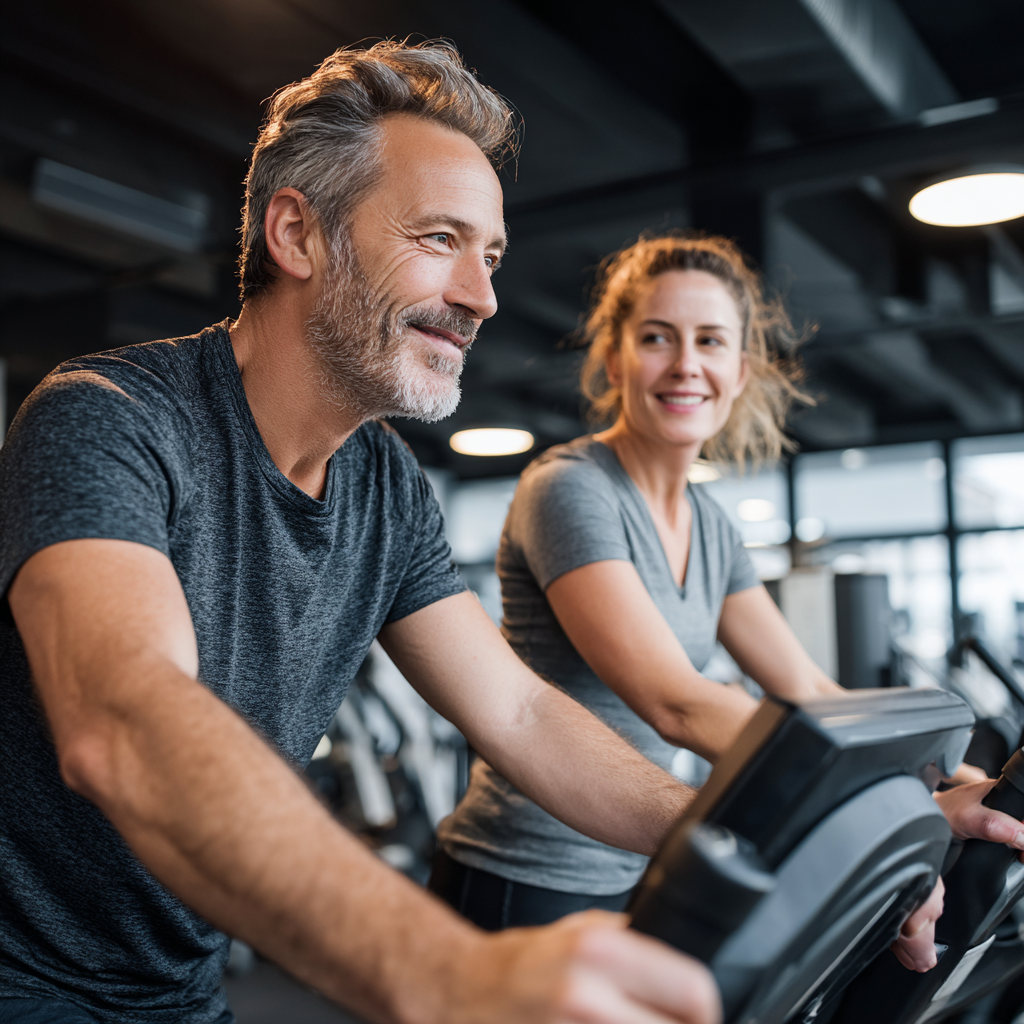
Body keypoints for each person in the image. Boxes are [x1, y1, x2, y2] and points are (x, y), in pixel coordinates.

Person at [0, 43, 722, 1024]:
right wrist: (444, 968)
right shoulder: (108, 415)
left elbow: (518, 715)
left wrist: (749, 834)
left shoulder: (384, 483)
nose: (483, 296)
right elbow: (121, 720)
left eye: (491, 255)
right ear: (298, 234)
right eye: (440, 239)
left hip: (179, 988)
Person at [433, 234, 1024, 972]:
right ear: (614, 360)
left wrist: (954, 773)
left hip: (638, 862)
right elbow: (673, 701)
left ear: (739, 370)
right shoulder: (571, 489)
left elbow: (807, 691)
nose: (686, 365)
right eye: (657, 338)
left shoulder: (711, 526)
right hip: (521, 876)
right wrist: (891, 792)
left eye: (710, 341)